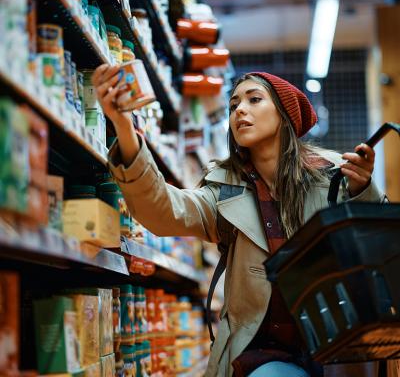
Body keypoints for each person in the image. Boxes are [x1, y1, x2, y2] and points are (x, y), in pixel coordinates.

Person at [92, 64, 386, 377]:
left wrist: (362, 190)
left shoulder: (335, 175)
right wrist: (124, 126)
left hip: (339, 343)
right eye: (234, 105)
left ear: (284, 113)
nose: (239, 110)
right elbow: (164, 210)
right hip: (264, 353)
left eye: (254, 100)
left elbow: (378, 248)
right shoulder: (224, 190)